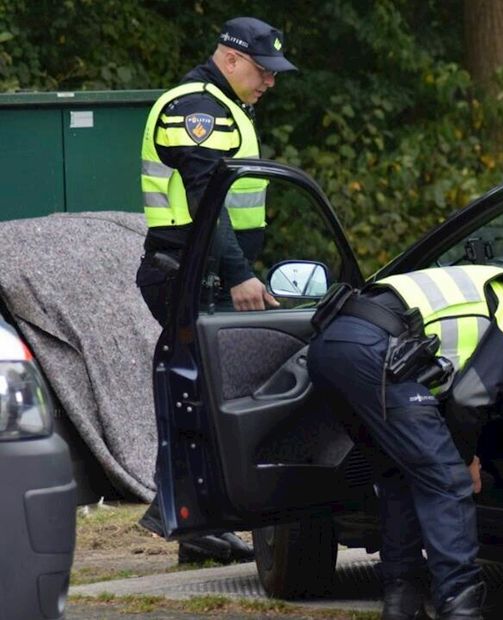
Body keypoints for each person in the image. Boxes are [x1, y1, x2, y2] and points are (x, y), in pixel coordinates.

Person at [308, 265, 503, 620]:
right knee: (446, 481)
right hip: (376, 354)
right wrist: (466, 459)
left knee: (399, 475)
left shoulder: (493, 286)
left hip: (328, 348)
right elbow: (469, 398)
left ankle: (403, 603)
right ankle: (460, 608)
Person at [134, 16, 297, 564]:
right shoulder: (196, 109)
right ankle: (187, 519)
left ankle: (192, 519)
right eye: (263, 70)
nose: (270, 82)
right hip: (187, 270)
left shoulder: (225, 105)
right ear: (230, 59)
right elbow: (209, 202)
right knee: (197, 393)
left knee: (200, 391)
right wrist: (238, 274)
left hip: (199, 268)